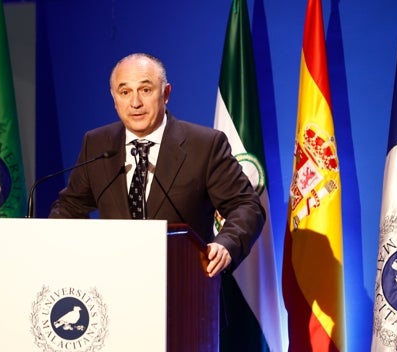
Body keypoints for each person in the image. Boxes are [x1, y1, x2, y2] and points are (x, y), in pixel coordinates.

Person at [49, 53, 265, 276]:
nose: (135, 103)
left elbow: (246, 206)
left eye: (145, 90)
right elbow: (70, 207)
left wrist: (226, 244)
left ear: (166, 93)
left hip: (184, 284)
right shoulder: (97, 144)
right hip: (115, 284)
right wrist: (49, 242)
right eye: (125, 92)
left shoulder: (204, 145)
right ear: (114, 99)